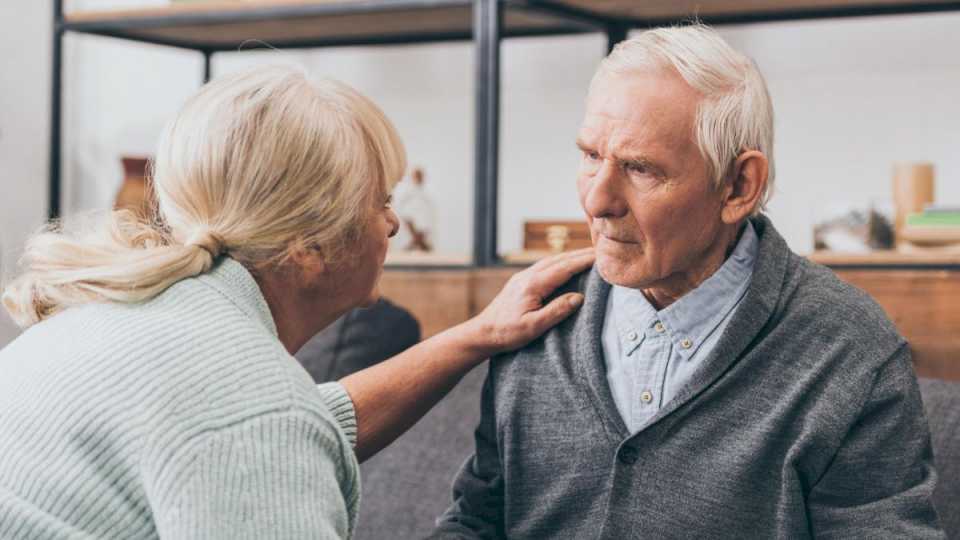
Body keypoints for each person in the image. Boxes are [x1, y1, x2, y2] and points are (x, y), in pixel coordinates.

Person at [0, 66, 594, 540]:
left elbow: (297, 421)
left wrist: (478, 334)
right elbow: (261, 428)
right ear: (308, 248)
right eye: (378, 201)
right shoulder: (252, 411)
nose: (391, 223)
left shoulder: (126, 316)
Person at [432, 24, 944, 539]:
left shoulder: (850, 350)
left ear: (739, 186)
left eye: (640, 169)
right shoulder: (536, 317)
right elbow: (476, 521)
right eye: (590, 156)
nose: (596, 201)